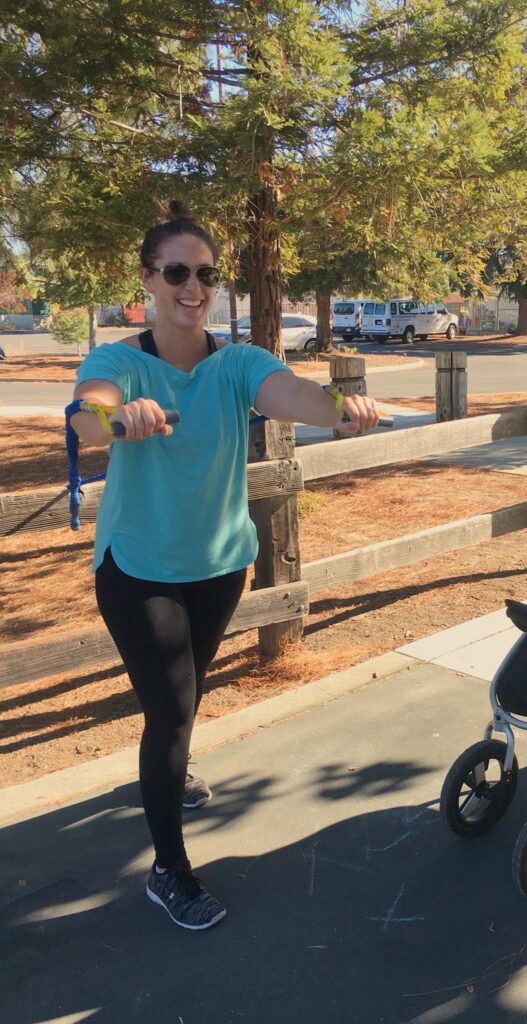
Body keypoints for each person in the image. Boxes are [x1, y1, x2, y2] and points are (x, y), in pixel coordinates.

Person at [70, 200, 380, 931]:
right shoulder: (121, 360)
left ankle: (167, 771)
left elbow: (296, 396)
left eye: (205, 274)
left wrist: (340, 407)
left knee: (182, 692)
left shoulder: (237, 363)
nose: (193, 286)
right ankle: (169, 871)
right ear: (148, 279)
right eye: (176, 271)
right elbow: (86, 414)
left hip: (217, 564)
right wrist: (121, 419)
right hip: (138, 566)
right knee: (173, 707)